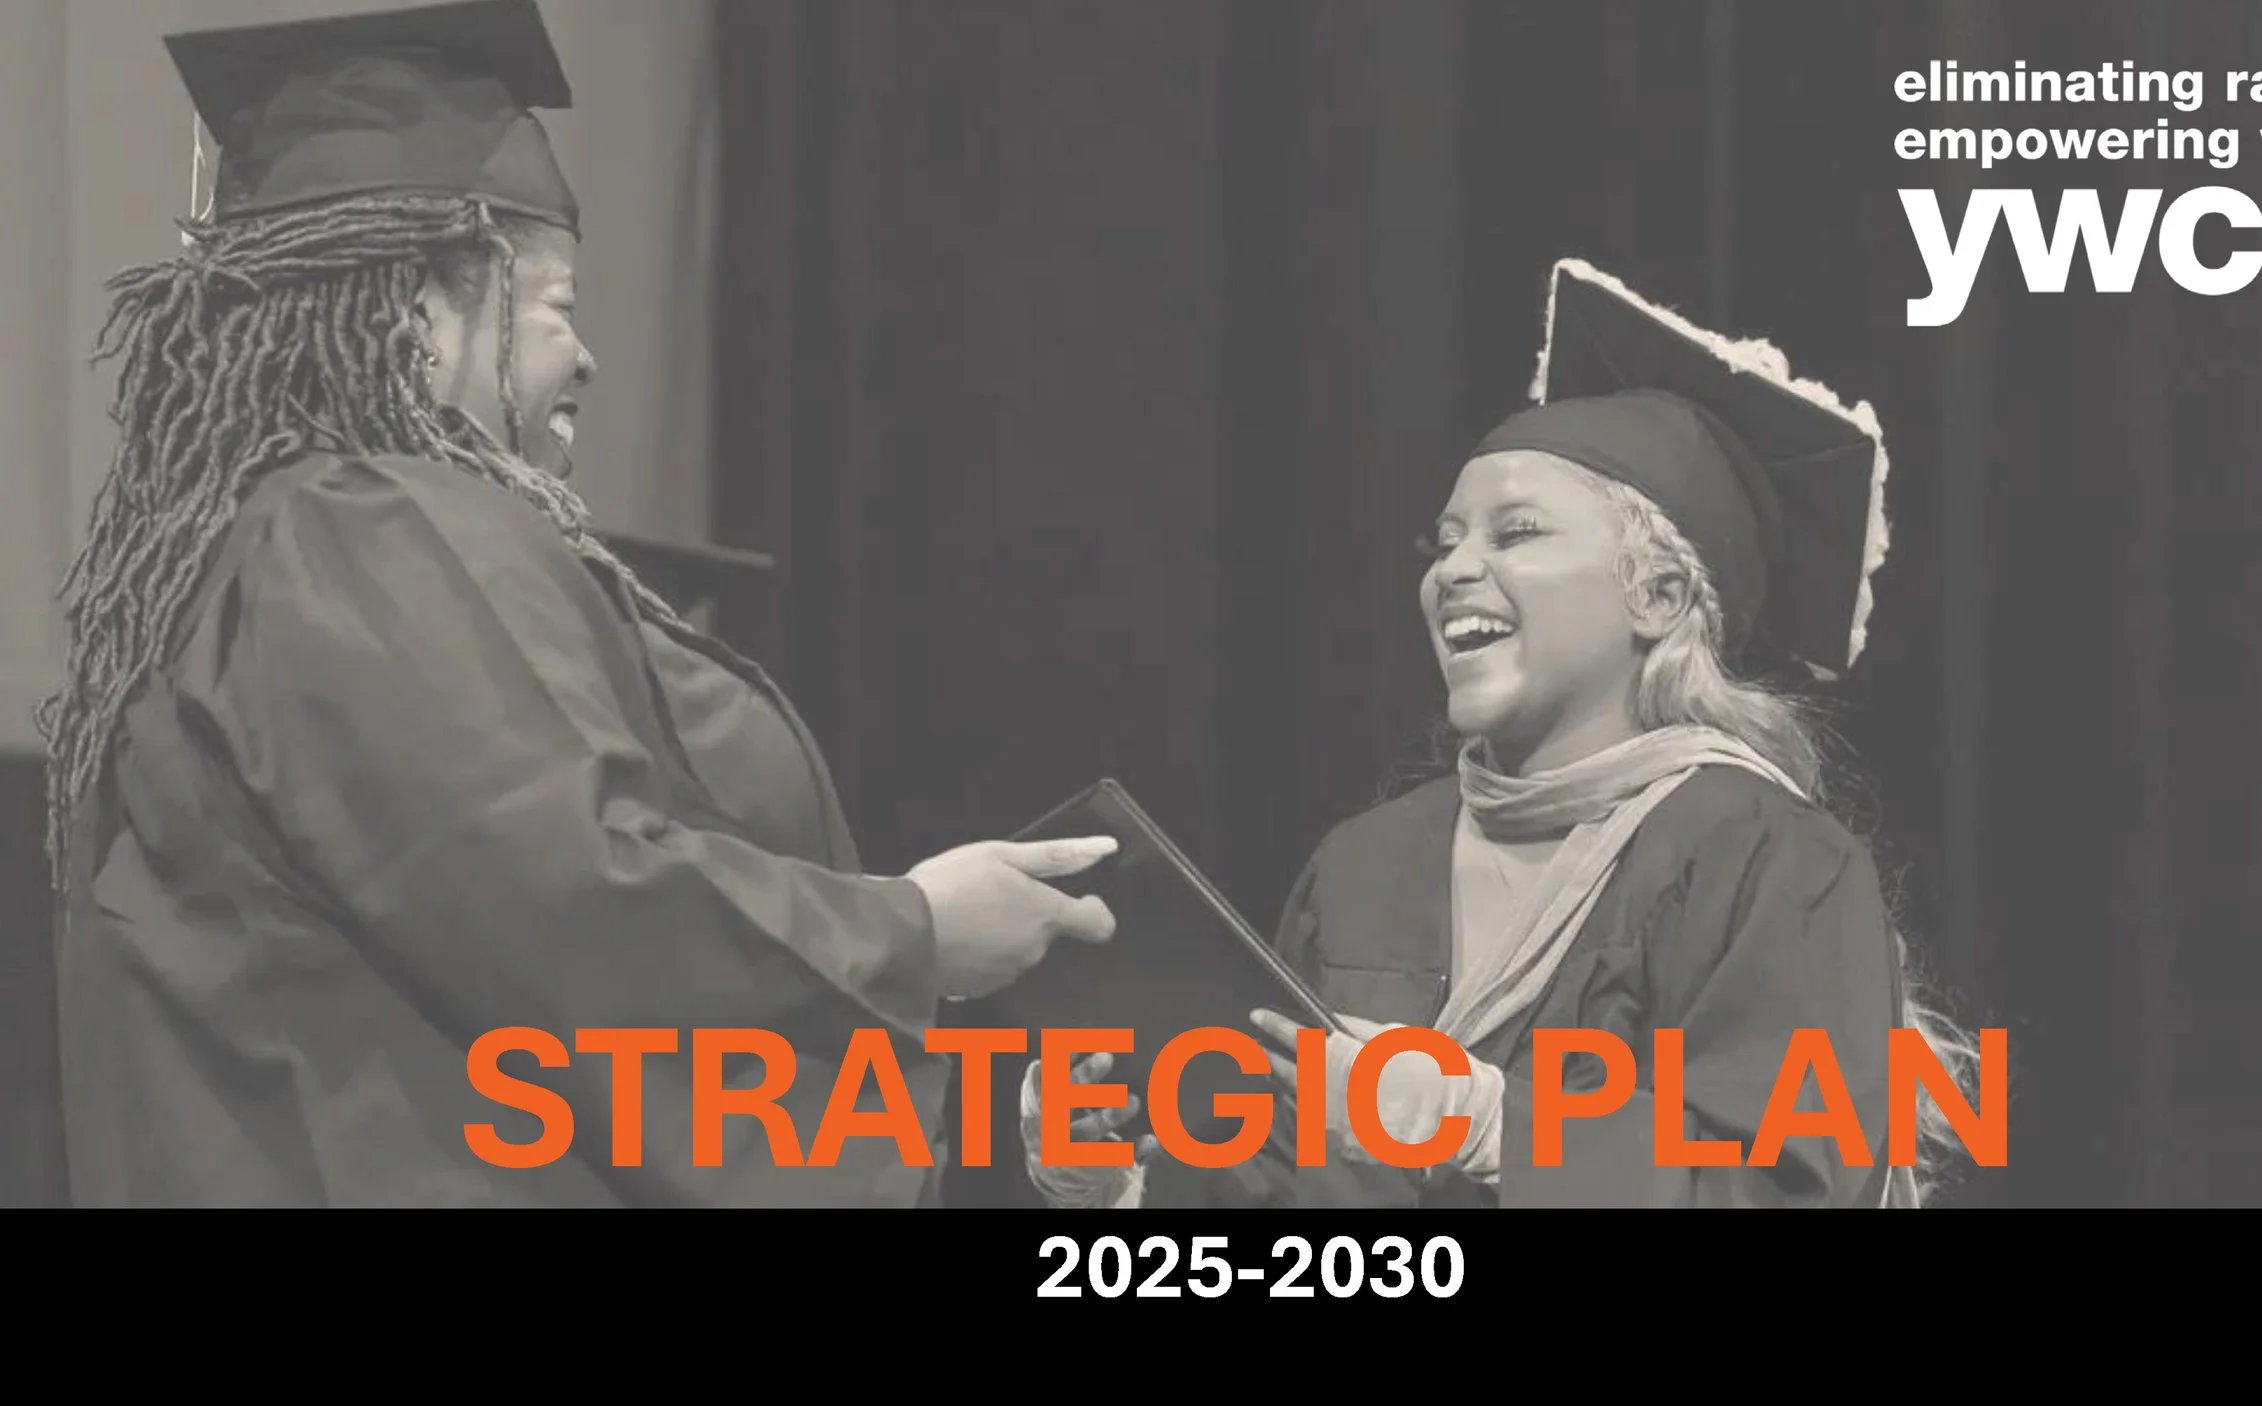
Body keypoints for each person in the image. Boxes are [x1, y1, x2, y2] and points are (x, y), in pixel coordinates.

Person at [41, 0, 1117, 1208]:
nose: (587, 355)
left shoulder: (277, 548)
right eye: (556, 305)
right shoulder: (360, 532)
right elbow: (575, 898)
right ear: (415, 308)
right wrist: (910, 931)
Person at [1020, 258, 1984, 1209]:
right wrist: (1117, 1182)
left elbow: (1785, 1188)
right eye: (1445, 542)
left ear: (1658, 596)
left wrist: (1488, 1126)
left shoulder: (1761, 857)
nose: (1453, 570)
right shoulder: (1366, 865)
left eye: (1514, 534)